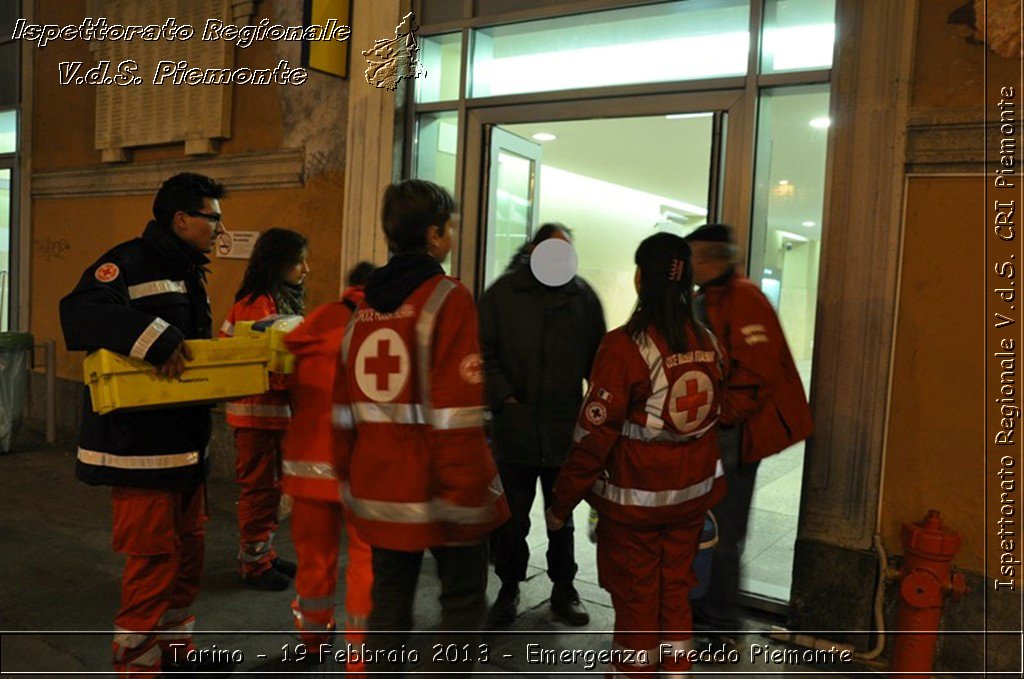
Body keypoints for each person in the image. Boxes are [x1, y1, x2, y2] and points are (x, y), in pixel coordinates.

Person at [59, 172, 234, 675]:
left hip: (185, 445)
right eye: (213, 217)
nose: (220, 228)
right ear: (182, 219)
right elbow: (79, 312)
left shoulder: (187, 269)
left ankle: (176, 649)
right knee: (154, 559)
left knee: (190, 554)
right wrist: (153, 335)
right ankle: (136, 661)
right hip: (140, 449)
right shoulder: (127, 262)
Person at [333, 179, 509, 675]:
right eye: (448, 226)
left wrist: (349, 481)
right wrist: (467, 495)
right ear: (434, 235)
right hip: (440, 487)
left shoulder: (361, 311)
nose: (450, 235)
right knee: (460, 601)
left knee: (388, 602)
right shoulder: (447, 299)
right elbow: (458, 412)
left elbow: (341, 409)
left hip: (380, 487)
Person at [546, 232, 726, 676]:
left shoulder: (624, 347)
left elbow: (592, 436)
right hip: (690, 498)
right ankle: (676, 672)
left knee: (637, 597)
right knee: (674, 591)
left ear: (640, 278)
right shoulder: (707, 341)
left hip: (637, 503)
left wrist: (561, 502)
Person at [684, 223, 813, 646]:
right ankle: (705, 608)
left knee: (724, 531)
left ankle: (722, 622)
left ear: (715, 258)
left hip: (736, 436)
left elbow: (757, 370)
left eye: (696, 257)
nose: (691, 265)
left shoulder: (744, 299)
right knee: (708, 525)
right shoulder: (709, 298)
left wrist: (722, 416)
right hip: (717, 433)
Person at [478, 223, 605, 627]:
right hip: (514, 429)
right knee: (511, 519)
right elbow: (482, 349)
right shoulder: (502, 294)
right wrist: (505, 398)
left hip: (563, 429)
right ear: (533, 250)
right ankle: (508, 586)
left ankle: (564, 588)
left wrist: (592, 410)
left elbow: (598, 360)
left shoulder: (582, 297)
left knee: (561, 513)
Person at [282, 260, 377, 673]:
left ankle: (314, 637)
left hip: (306, 465)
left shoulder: (316, 321)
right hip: (360, 466)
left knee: (313, 558)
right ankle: (360, 659)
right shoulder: (380, 329)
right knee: (366, 562)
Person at [219, 227, 309, 590]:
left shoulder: (274, 299)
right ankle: (254, 563)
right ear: (279, 264)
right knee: (260, 489)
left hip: (270, 414)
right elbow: (271, 366)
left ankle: (263, 554)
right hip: (258, 414)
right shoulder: (259, 306)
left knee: (271, 488)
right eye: (298, 261)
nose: (306, 269)